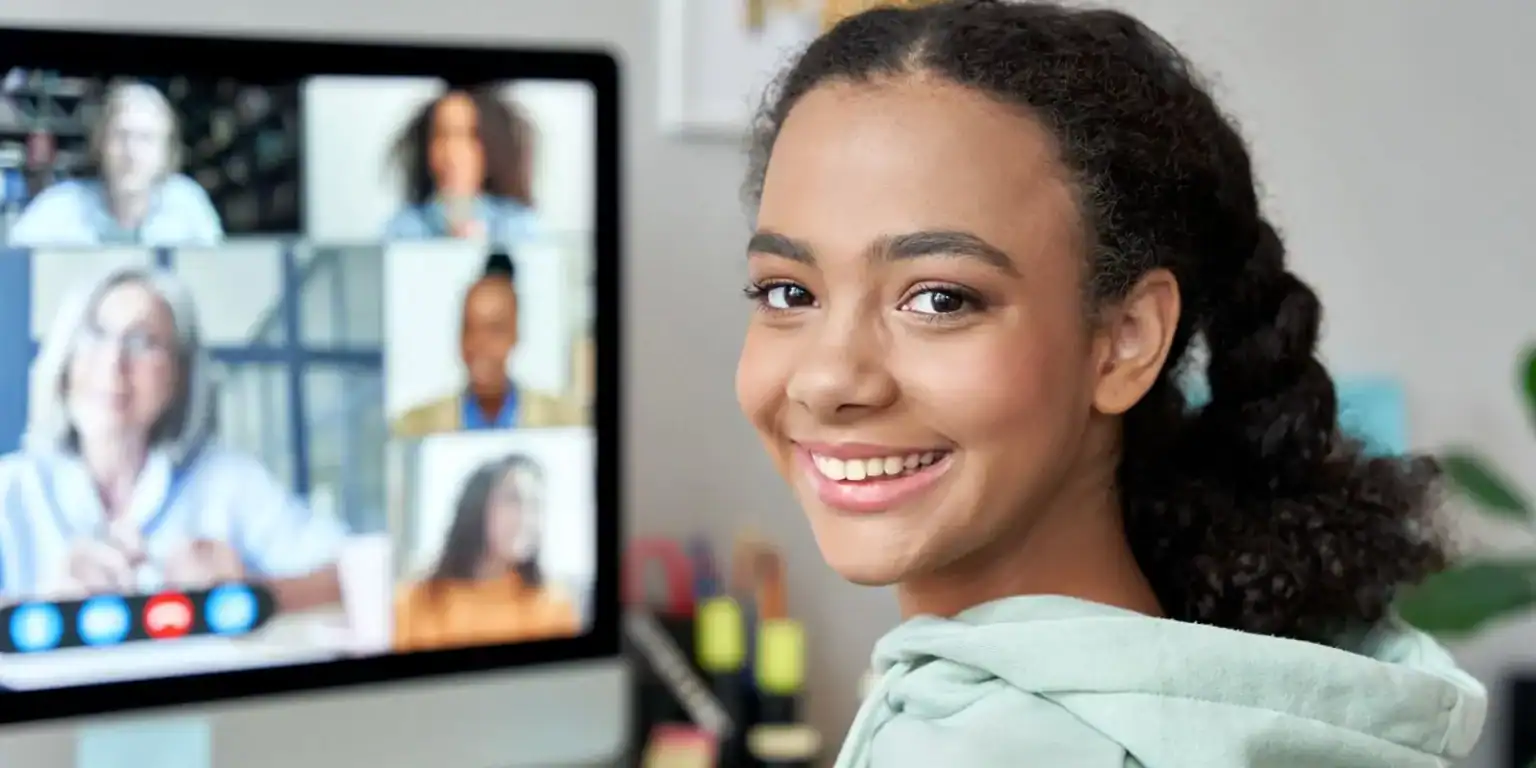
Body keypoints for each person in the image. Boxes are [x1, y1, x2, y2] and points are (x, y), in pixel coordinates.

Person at [734, 3, 1486, 767]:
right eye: (788, 293)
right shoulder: (1255, 696)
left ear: (1126, 341)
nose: (828, 380)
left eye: (939, 299)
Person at [0, 267, 343, 613]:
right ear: (66, 356)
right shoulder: (11, 487)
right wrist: (40, 611)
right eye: (95, 334)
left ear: (180, 374)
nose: (112, 362)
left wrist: (243, 597)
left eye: (143, 341)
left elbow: (348, 571)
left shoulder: (229, 481)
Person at [393, 453, 580, 651]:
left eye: (536, 505)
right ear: (476, 508)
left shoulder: (554, 605)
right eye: (513, 499)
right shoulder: (415, 600)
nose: (527, 518)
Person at [391, 249, 585, 436]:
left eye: (494, 330)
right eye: (470, 328)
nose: (479, 344)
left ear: (514, 335)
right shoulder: (413, 427)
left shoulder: (567, 423)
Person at [9, 80, 224, 248]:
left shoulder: (188, 204)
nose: (131, 152)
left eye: (146, 138)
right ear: (101, 144)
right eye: (121, 136)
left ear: (166, 152)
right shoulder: (58, 207)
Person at [383, 86, 540, 244]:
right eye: (441, 135)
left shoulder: (520, 226)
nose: (452, 153)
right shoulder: (402, 230)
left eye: (466, 135)